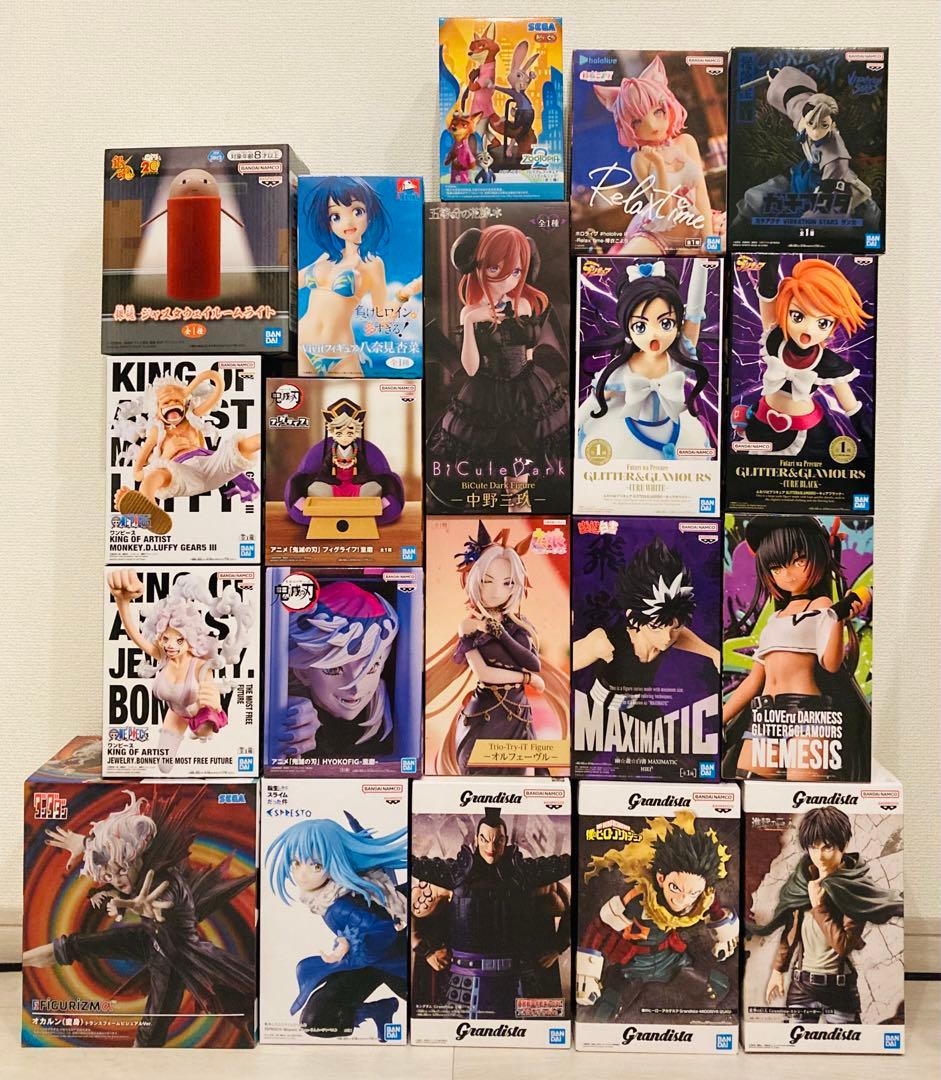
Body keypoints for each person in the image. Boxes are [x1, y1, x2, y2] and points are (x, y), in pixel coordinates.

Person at [23, 790, 255, 1047]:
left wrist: (139, 906)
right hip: (149, 939)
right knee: (74, 945)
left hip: (175, 960)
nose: (116, 879)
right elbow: (109, 853)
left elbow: (162, 900)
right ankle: (22, 960)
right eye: (109, 876)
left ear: (135, 855)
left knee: (150, 1032)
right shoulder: (130, 863)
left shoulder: (164, 883)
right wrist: (86, 844)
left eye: (121, 870)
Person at [424, 521, 568, 775]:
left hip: (519, 715)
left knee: (529, 781)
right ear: (475, 580)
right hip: (485, 714)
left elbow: (533, 663)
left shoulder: (520, 625)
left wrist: (501, 633)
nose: (495, 592)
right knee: (479, 780)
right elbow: (484, 673)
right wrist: (526, 679)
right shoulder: (469, 625)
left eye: (507, 583)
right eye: (487, 581)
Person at [576, 810, 738, 1019]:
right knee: (605, 1011)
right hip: (633, 964)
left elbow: (714, 909)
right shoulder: (637, 899)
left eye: (693, 893)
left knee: (717, 987)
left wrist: (725, 936)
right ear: (661, 879)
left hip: (670, 960)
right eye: (675, 888)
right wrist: (587, 973)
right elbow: (599, 927)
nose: (682, 900)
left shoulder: (701, 898)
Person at [411, 807, 570, 1018]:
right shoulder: (453, 877)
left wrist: (558, 947)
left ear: (505, 841)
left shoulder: (527, 876)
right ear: (477, 840)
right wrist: (426, 950)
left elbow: (566, 901)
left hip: (519, 979)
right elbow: (412, 908)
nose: (491, 847)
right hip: (465, 979)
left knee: (526, 1030)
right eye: (485, 840)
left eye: (498, 841)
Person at [751, 806, 903, 1025]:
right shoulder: (802, 884)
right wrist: (778, 970)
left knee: (846, 1044)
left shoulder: (852, 890)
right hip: (801, 988)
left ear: (843, 845)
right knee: (794, 1043)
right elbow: (791, 932)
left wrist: (819, 906)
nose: (819, 855)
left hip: (838, 991)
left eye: (827, 847)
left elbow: (843, 945)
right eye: (813, 847)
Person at [266, 813, 408, 1041]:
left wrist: (346, 944)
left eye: (316, 865)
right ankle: (378, 1010)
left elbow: (384, 929)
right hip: (367, 965)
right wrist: (345, 944)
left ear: (334, 861)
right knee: (316, 1019)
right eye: (296, 863)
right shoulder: (328, 894)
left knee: (317, 1019)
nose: (302, 874)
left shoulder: (339, 904)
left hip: (396, 965)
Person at [107, 569, 253, 773]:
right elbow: (136, 637)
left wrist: (215, 704)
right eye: (165, 638)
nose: (170, 645)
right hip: (176, 713)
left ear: (191, 639)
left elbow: (210, 696)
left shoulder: (200, 665)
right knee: (164, 766)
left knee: (203, 732)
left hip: (200, 717)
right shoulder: (163, 656)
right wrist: (122, 602)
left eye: (179, 640)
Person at [297, 176, 421, 376]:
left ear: (370, 215)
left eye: (357, 211)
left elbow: (383, 320)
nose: (347, 222)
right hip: (303, 345)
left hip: (341, 353)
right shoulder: (327, 257)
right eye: (335, 216)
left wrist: (407, 292)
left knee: (361, 397)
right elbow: (293, 283)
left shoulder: (372, 263)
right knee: (305, 397)